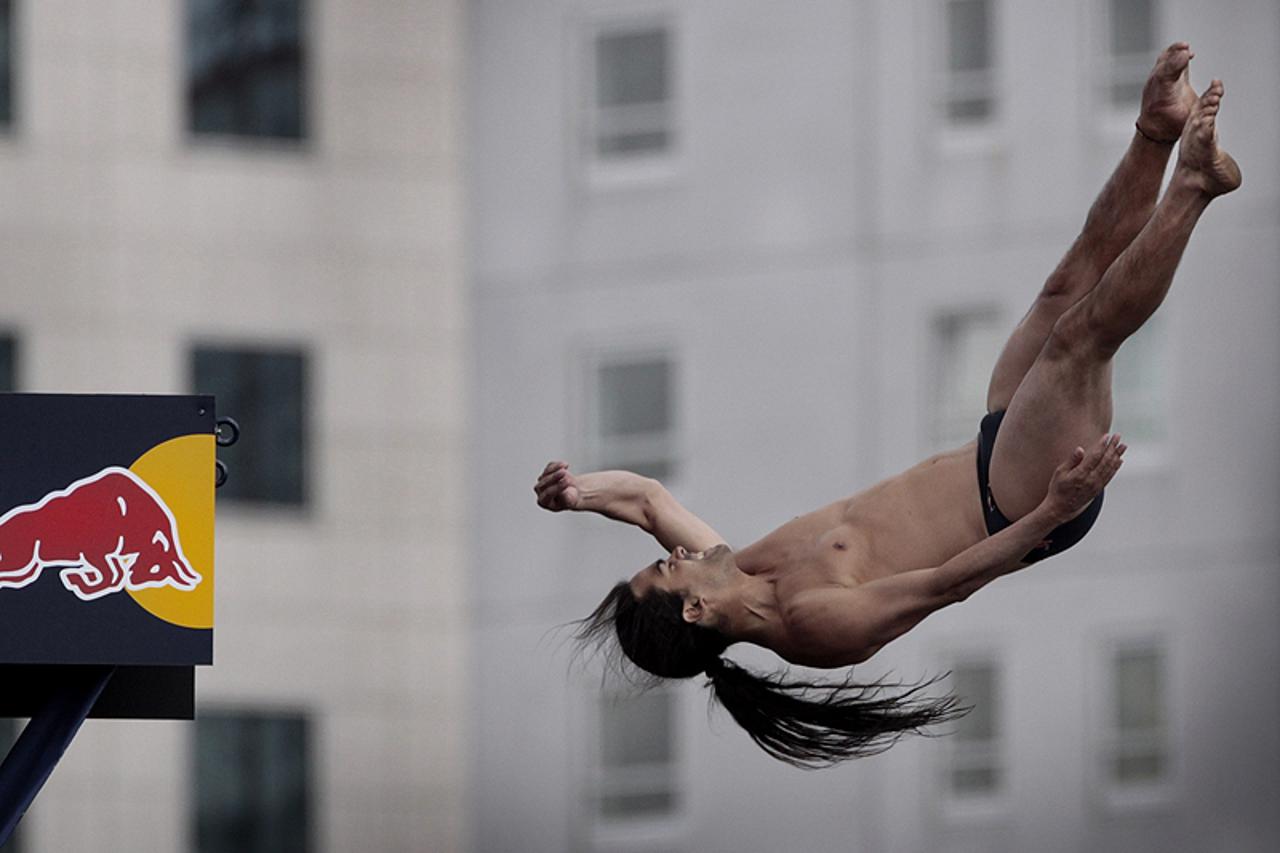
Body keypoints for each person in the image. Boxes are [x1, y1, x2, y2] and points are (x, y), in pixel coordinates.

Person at [534, 43, 1241, 767]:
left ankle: (1156, 130)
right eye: (668, 567)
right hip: (1021, 502)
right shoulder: (813, 624)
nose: (675, 551)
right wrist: (1054, 510)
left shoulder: (744, 564)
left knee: (1066, 286)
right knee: (1080, 337)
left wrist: (578, 492)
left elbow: (649, 500)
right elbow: (949, 584)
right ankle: (1193, 184)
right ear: (694, 607)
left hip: (992, 449)